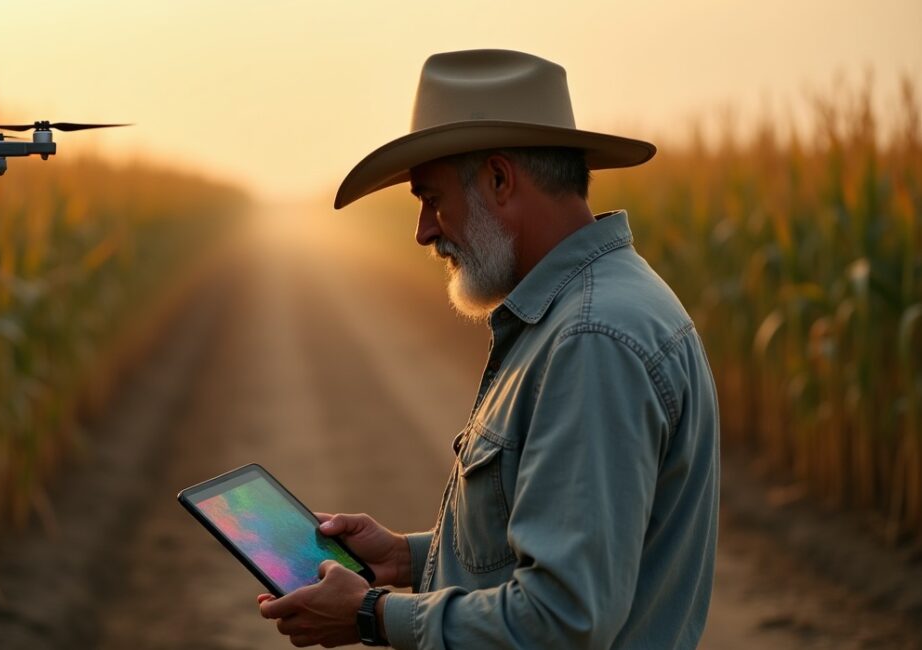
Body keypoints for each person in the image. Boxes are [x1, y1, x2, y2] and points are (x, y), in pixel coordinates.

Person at [257, 49, 720, 649]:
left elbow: (563, 619)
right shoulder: (589, 311)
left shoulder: (590, 340)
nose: (423, 230)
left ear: (501, 180)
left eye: (431, 197)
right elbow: (550, 550)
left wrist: (373, 614)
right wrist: (407, 557)